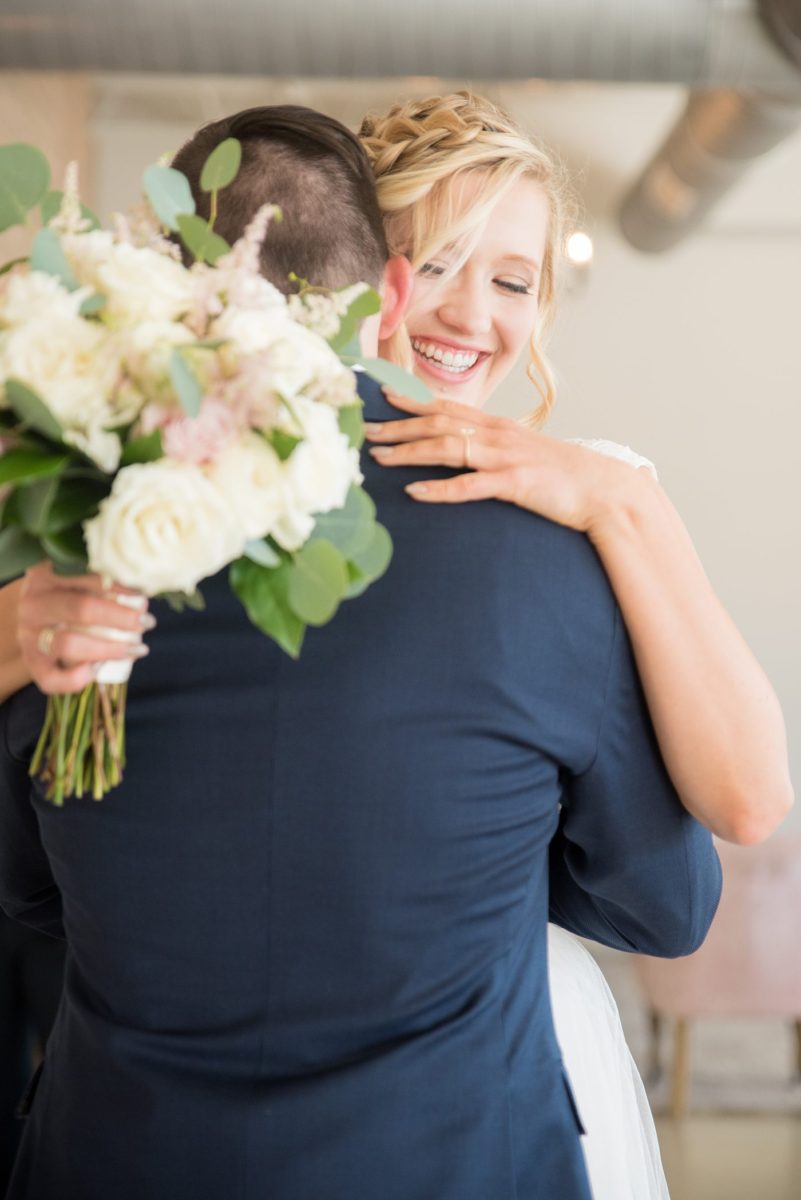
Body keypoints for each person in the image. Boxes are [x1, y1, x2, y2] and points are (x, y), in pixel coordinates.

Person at [0, 104, 722, 1200]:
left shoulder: (81, 545)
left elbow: (29, 887)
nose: (473, 313)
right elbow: (665, 905)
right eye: (441, 267)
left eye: (515, 281)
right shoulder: (553, 560)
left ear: (165, 297)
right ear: (385, 289)